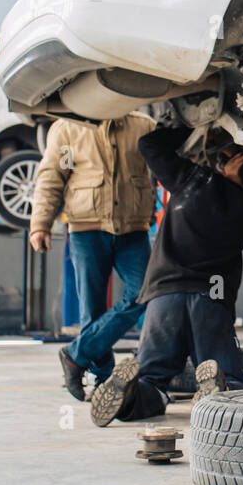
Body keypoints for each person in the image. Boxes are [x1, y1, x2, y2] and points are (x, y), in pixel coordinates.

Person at [89, 127, 243, 427]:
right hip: (211, 298)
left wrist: (193, 125)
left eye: (235, 155)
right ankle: (217, 391)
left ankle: (132, 396)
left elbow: (149, 144)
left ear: (242, 164)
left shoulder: (196, 181)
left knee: (153, 378)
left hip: (164, 296)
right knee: (228, 375)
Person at [30, 113, 157, 401]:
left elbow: (162, 166)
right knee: (93, 310)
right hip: (86, 230)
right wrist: (40, 224)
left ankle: (76, 355)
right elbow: (53, 176)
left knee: (144, 292)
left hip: (133, 230)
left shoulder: (143, 125)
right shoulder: (68, 129)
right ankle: (103, 383)